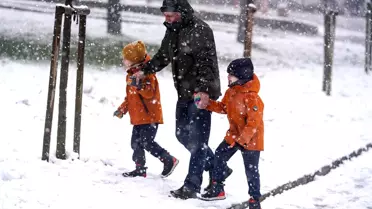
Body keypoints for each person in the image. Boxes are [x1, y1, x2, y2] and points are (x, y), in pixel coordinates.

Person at [132, 0, 232, 199]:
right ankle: (216, 167)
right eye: (165, 15)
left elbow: (207, 63)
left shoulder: (200, 30)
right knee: (182, 134)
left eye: (170, 15)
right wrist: (145, 71)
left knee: (198, 141)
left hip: (200, 94)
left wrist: (203, 91)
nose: (166, 19)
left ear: (182, 12)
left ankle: (192, 186)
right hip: (184, 92)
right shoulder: (173, 29)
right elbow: (163, 56)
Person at [196, 58, 264, 209]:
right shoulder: (232, 92)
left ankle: (254, 200)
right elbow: (223, 107)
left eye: (231, 74)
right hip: (234, 136)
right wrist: (207, 104)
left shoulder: (252, 98)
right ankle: (217, 188)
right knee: (219, 155)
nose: (228, 77)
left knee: (251, 171)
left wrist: (242, 141)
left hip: (251, 140)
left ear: (242, 76)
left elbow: (254, 123)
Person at [114, 40, 179, 178]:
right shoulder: (131, 75)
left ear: (134, 61)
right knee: (135, 143)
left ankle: (168, 159)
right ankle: (140, 169)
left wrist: (139, 86)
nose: (123, 60)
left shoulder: (148, 75)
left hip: (150, 117)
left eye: (126, 58)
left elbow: (149, 93)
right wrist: (122, 109)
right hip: (138, 117)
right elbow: (130, 98)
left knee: (146, 142)